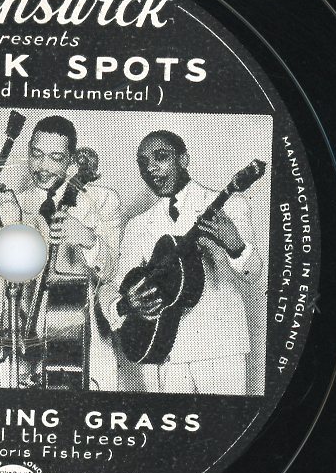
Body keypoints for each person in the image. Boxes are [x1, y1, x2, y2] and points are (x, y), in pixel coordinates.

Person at [107, 130, 261, 395]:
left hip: (222, 349)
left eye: (160, 157)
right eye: (143, 162)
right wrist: (126, 304)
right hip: (166, 350)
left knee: (224, 419)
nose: (150, 168)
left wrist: (235, 244)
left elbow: (254, 273)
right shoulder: (137, 225)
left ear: (183, 159)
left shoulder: (231, 205)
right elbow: (121, 285)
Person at [0, 115, 123, 390]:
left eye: (56, 158)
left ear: (72, 161)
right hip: (26, 343)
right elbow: (1, 281)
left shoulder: (103, 200)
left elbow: (111, 271)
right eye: (36, 155)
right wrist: (7, 322)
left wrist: (87, 239)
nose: (43, 167)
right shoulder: (15, 203)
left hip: (83, 340)